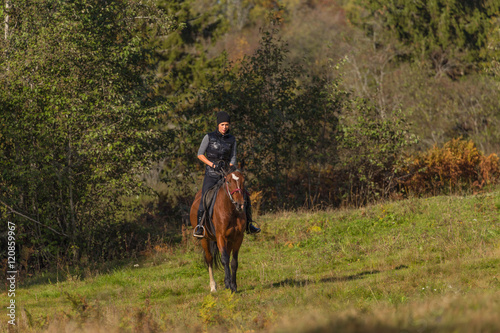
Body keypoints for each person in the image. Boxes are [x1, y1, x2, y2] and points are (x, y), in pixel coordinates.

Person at [193, 111, 261, 238]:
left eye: (227, 125)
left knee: (244, 195)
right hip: (212, 174)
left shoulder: (232, 139)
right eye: (222, 124)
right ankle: (200, 226)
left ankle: (249, 224)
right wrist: (212, 165)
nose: (225, 127)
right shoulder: (208, 137)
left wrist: (229, 170)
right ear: (218, 124)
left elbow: (233, 157)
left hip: (227, 174)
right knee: (204, 198)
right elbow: (200, 154)